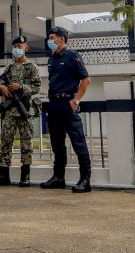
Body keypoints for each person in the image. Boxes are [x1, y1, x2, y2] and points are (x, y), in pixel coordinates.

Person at [40, 26, 93, 193]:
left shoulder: (73, 56)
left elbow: (86, 80)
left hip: (68, 104)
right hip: (54, 104)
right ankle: (58, 177)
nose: (49, 41)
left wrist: (76, 99)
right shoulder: (52, 59)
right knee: (57, 144)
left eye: (52, 37)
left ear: (61, 39)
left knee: (78, 142)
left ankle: (85, 180)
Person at [0, 35, 42, 187]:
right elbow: (0, 84)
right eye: (15, 46)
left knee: (26, 143)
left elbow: (37, 87)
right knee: (6, 142)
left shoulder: (32, 66)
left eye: (20, 46)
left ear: (26, 48)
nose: (17, 49)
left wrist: (21, 87)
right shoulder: (9, 68)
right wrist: (2, 88)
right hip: (10, 111)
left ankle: (25, 175)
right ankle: (3, 174)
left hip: (26, 109)